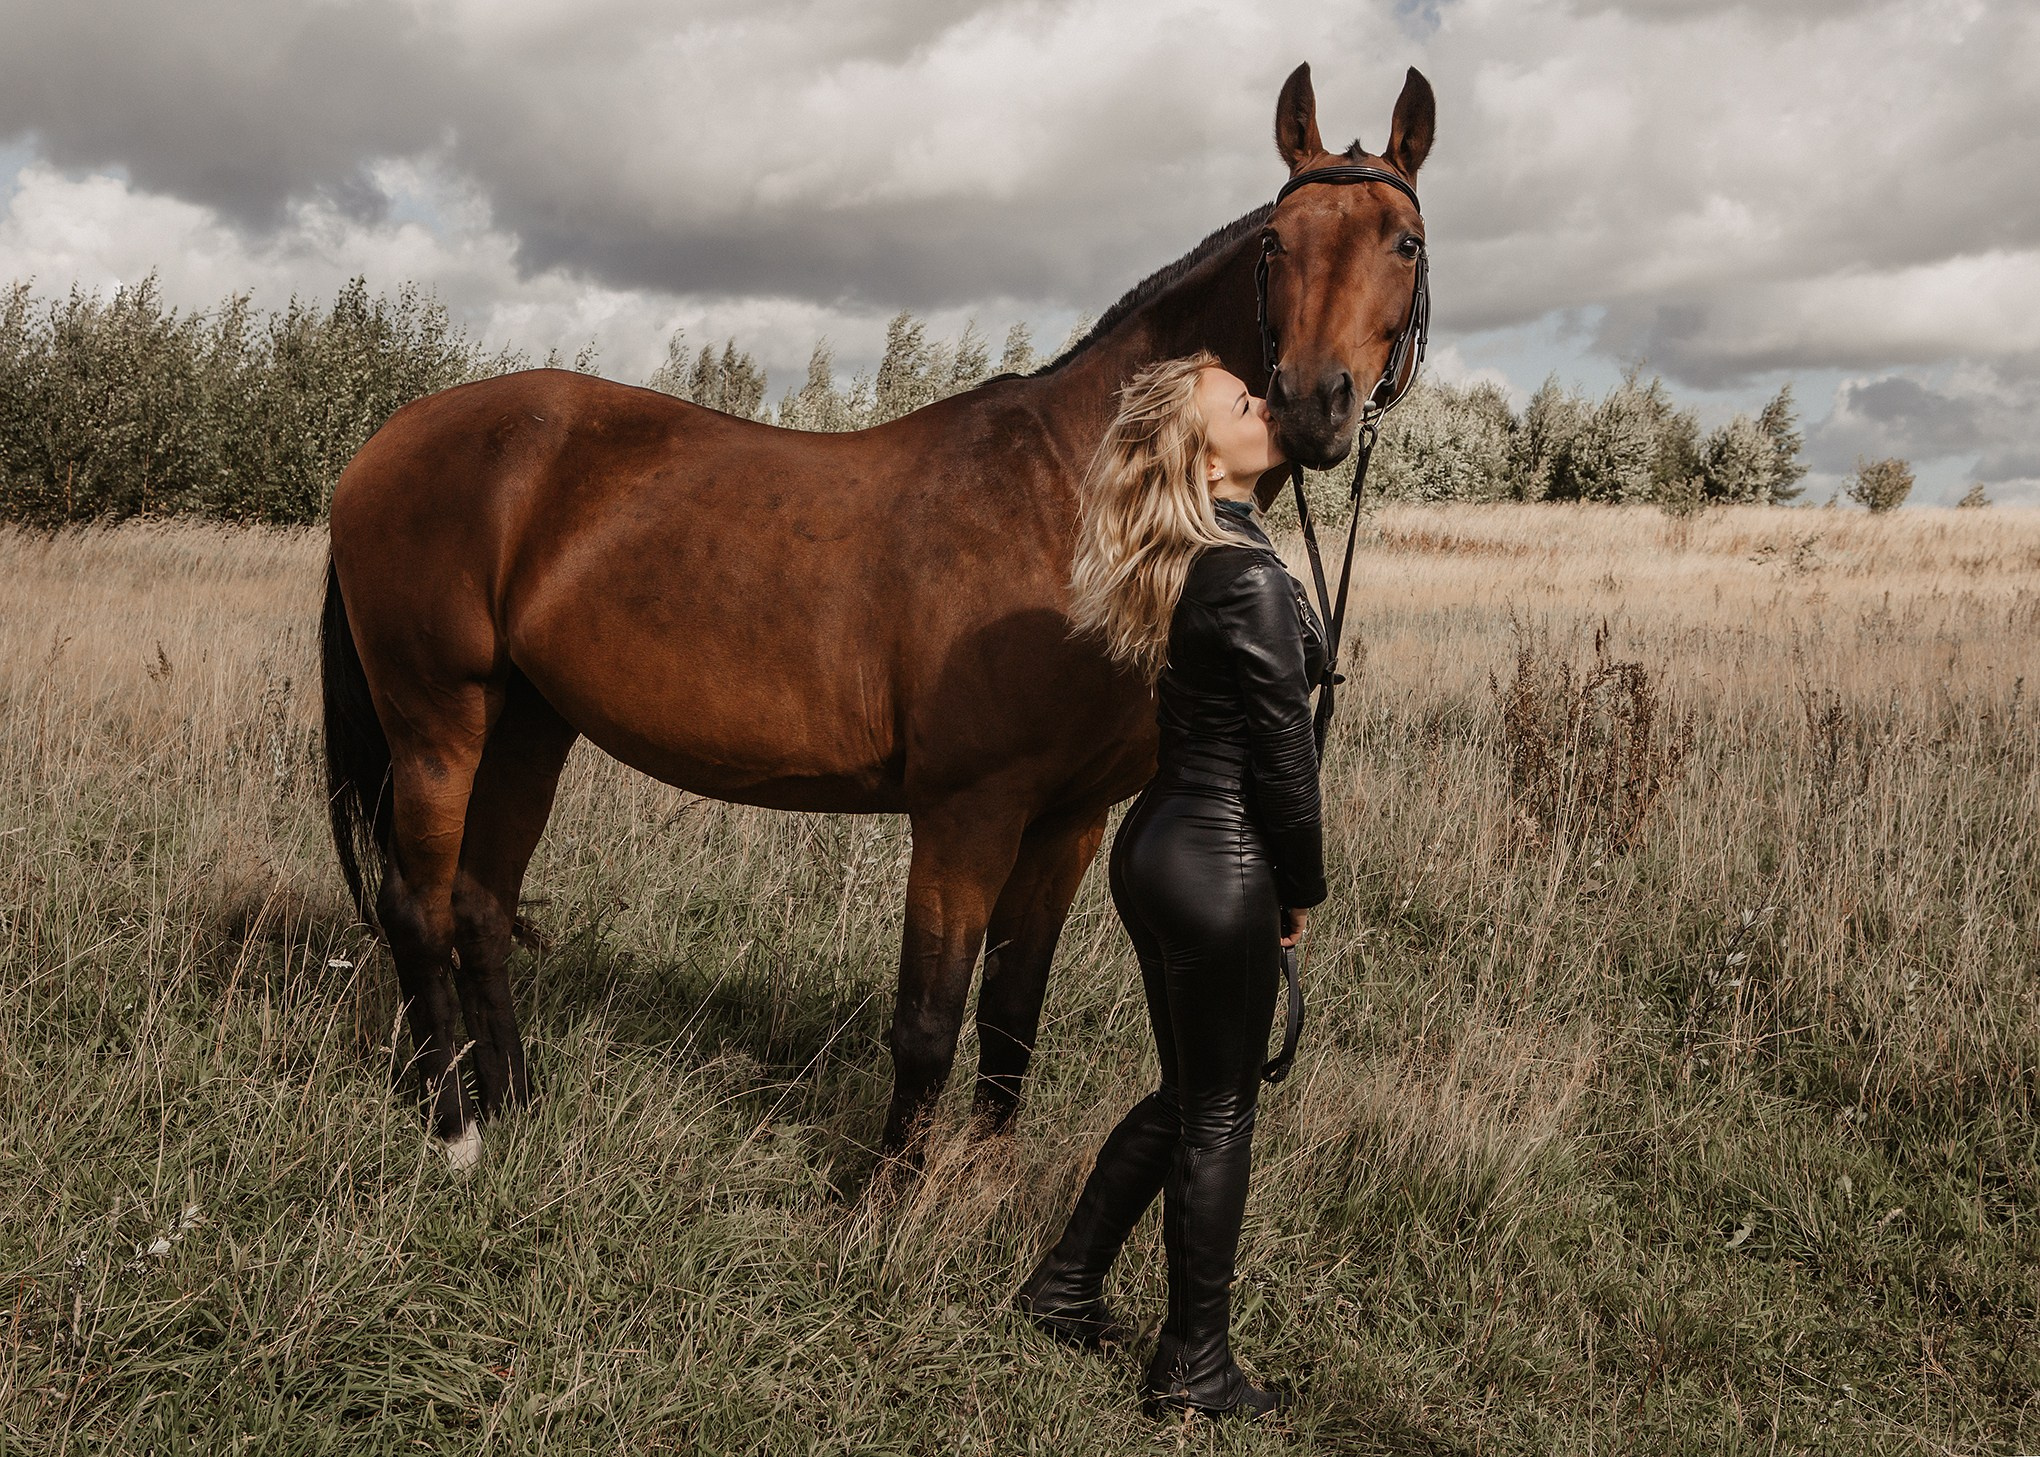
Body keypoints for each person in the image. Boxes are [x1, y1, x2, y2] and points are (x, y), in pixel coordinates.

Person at [1016, 349, 1327, 1420]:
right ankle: (1195, 1364)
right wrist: (1303, 890)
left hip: (1159, 846)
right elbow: (1285, 759)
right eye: (1243, 401)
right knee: (1223, 1109)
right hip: (1220, 855)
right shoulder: (1241, 573)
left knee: (1197, 1091)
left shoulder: (1204, 550)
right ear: (1205, 451)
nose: (1263, 402)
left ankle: (1063, 1284)